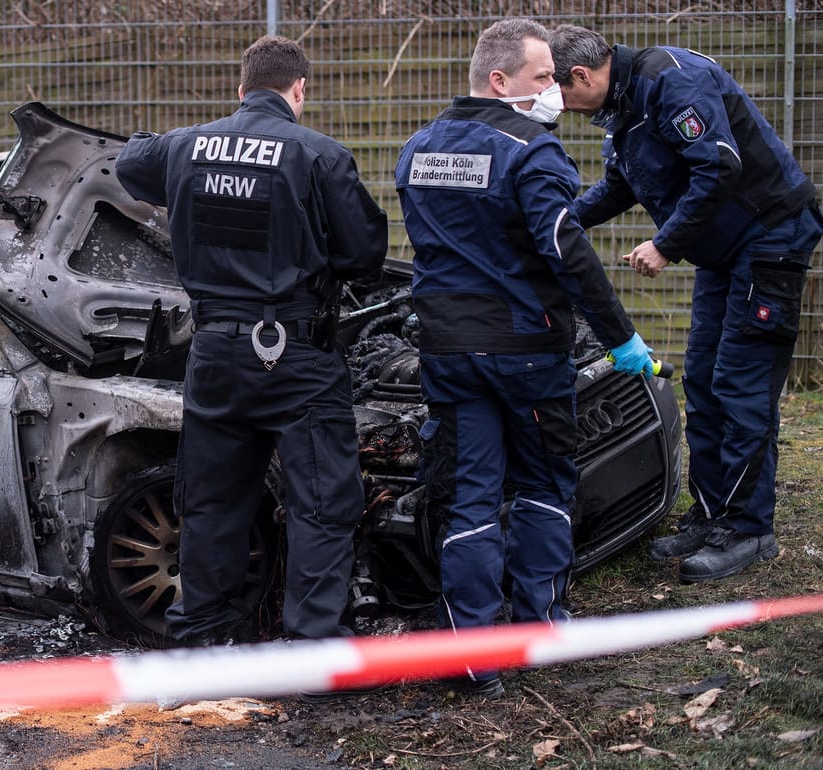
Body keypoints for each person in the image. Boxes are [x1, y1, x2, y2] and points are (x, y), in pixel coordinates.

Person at [395, 19, 653, 698]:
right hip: (526, 352)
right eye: (543, 78)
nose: (556, 92)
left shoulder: (417, 149)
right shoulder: (531, 151)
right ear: (500, 81)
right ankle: (537, 635)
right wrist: (621, 336)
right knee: (543, 488)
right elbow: (567, 250)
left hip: (447, 350)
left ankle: (476, 660)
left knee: (470, 498)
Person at [116, 35, 389, 649]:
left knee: (212, 501)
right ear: (299, 91)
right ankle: (313, 651)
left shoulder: (186, 147)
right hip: (298, 354)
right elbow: (364, 255)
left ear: (240, 92)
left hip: (215, 352)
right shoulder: (320, 155)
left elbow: (130, 162)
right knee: (321, 503)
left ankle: (197, 643)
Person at [548, 25, 822, 583]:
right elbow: (621, 187)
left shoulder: (672, 80)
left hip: (768, 237)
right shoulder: (624, 108)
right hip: (723, 252)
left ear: (581, 75)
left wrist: (666, 244)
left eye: (561, 94)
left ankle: (749, 530)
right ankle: (713, 513)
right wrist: (557, 222)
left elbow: (719, 164)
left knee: (740, 384)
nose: (560, 108)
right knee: (701, 377)